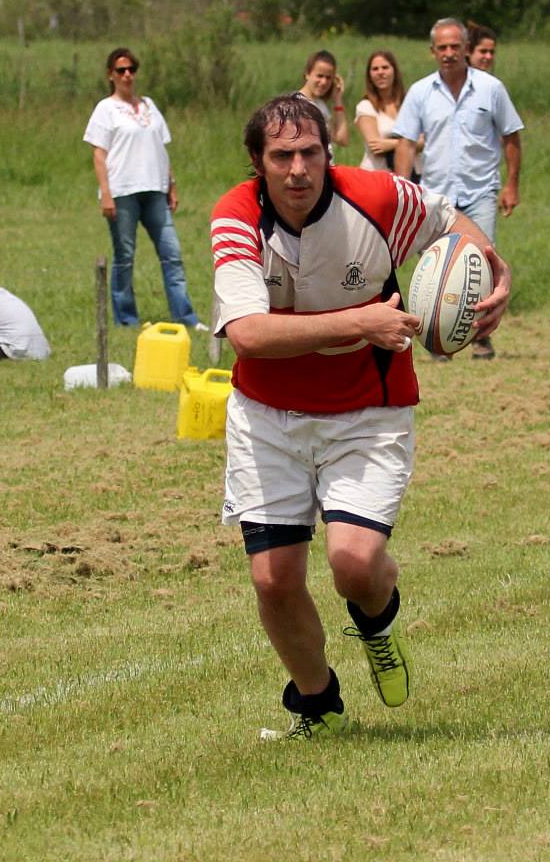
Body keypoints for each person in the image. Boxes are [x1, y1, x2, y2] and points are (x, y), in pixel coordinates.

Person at [209, 94, 511, 740]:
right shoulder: (236, 217)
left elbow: (453, 224)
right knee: (273, 577)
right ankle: (316, 703)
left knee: (352, 563)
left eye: (309, 153)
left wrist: (493, 272)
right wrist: (363, 322)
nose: (297, 169)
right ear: (256, 163)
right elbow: (248, 336)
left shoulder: (376, 200)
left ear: (329, 153)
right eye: (281, 156)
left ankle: (376, 623)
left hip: (366, 412)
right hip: (266, 414)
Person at [393, 17, 523, 360]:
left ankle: (480, 337)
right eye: (442, 48)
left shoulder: (491, 88)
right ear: (433, 51)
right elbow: (406, 143)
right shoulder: (420, 92)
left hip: (479, 191)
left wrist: (511, 184)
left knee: (480, 263)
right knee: (435, 271)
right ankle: (439, 340)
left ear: (466, 48)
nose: (449, 53)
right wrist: (403, 190)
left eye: (455, 47)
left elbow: (511, 137)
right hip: (436, 196)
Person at [83, 47, 205, 329]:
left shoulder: (148, 105)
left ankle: (186, 317)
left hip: (154, 189)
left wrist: (171, 185)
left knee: (171, 253)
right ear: (110, 75)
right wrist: (106, 194)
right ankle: (126, 319)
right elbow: (99, 154)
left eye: (131, 70)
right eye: (120, 70)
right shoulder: (106, 108)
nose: (127, 75)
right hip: (122, 190)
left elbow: (160, 148)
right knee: (125, 256)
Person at [354, 50, 422, 178]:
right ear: (369, 75)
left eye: (385, 67)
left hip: (413, 174)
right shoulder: (366, 106)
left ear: (394, 71)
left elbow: (425, 141)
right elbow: (376, 147)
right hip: (377, 176)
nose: (380, 72)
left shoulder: (410, 103)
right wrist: (411, 143)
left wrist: (391, 144)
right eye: (375, 69)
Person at [298, 50, 349, 150]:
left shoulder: (321, 105)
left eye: (328, 78)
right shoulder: (296, 105)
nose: (324, 82)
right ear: (307, 74)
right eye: (320, 76)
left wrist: (338, 100)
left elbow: (342, 139)